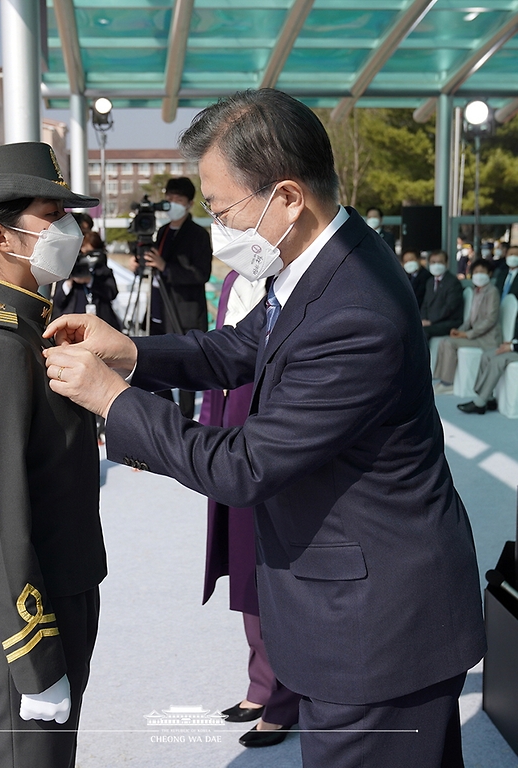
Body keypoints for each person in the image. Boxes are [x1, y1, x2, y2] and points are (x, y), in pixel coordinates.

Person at [42, 89, 486, 768]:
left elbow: (244, 466)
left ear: (285, 197)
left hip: (378, 631)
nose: (220, 228)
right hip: (368, 613)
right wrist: (127, 350)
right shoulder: (318, 260)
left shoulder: (353, 309)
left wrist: (114, 400)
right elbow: (233, 349)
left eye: (224, 210)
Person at [0, 142, 107, 768]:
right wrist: (33, 660)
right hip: (24, 613)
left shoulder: (32, 325)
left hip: (60, 584)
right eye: (51, 213)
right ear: (0, 236)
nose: (70, 229)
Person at [200, 270, 301, 749]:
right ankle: (262, 684)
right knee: (243, 566)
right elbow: (219, 352)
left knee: (272, 570)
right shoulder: (235, 278)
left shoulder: (297, 278)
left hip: (267, 439)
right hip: (229, 431)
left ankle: (285, 698)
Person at [131, 176, 212, 418]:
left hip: (183, 312)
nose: (172, 204)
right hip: (158, 309)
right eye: (169, 199)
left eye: (178, 200)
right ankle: (168, 412)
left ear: (189, 203)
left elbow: (201, 274)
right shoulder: (163, 231)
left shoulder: (197, 234)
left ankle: (186, 416)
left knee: (185, 365)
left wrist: (166, 266)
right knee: (157, 362)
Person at [433, 258, 501, 394]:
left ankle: (448, 383)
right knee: (444, 341)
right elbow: (470, 319)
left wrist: (467, 334)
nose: (479, 275)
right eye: (476, 272)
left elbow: (490, 320)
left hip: (487, 339)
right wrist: (459, 331)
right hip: (475, 335)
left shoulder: (492, 291)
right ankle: (442, 380)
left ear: (490, 274)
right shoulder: (477, 291)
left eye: (482, 272)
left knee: (448, 344)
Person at [52, 230, 121, 330]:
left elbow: (112, 293)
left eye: (91, 254)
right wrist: (69, 283)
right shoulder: (68, 270)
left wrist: (91, 281)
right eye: (84, 253)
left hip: (100, 323)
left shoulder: (103, 271)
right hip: (72, 324)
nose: (87, 258)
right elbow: (57, 301)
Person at [420, 250, 464, 339]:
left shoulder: (453, 282)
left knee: (423, 332)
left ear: (446, 263)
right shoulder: (430, 282)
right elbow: (425, 303)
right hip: (432, 322)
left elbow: (450, 307)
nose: (436, 265)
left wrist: (431, 321)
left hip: (448, 322)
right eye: (433, 262)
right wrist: (423, 319)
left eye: (440, 262)